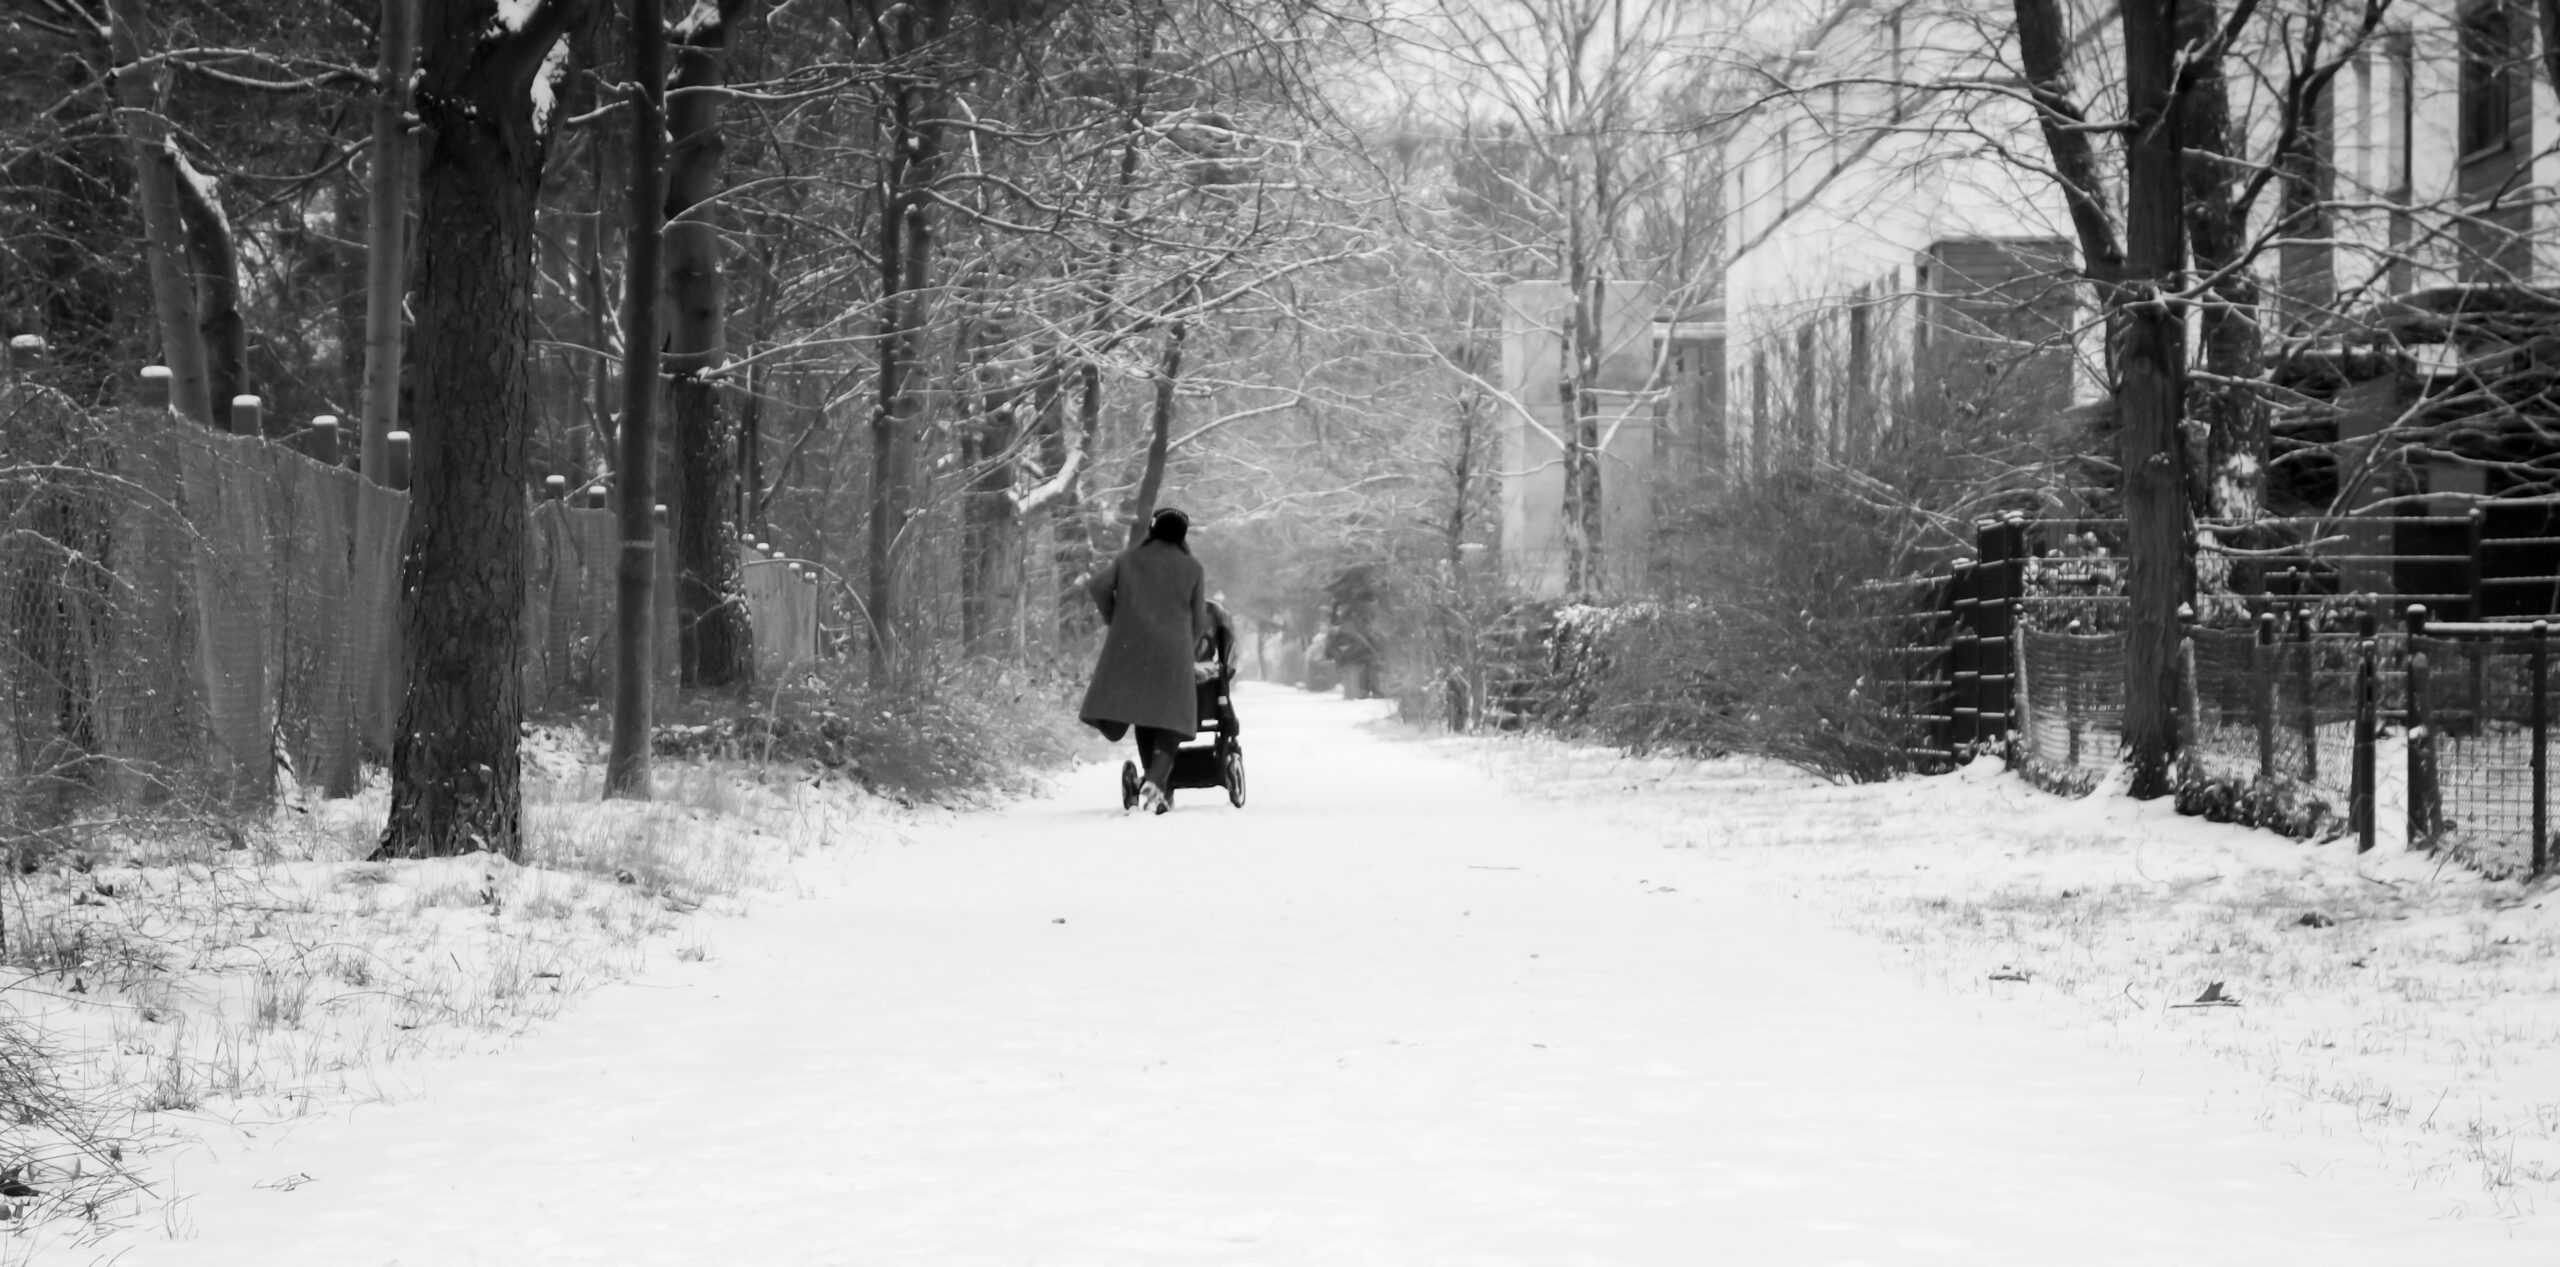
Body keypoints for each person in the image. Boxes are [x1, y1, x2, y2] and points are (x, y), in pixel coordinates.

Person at [1080, 507, 1211, 814]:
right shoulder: (1192, 568)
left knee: (1144, 714)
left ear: (1153, 529)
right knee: (1170, 720)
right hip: (1173, 652)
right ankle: (1155, 780)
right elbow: (1200, 620)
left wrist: (1116, 617)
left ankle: (1153, 782)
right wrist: (1187, 647)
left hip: (1130, 647)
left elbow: (1097, 585)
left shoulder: (1129, 560)